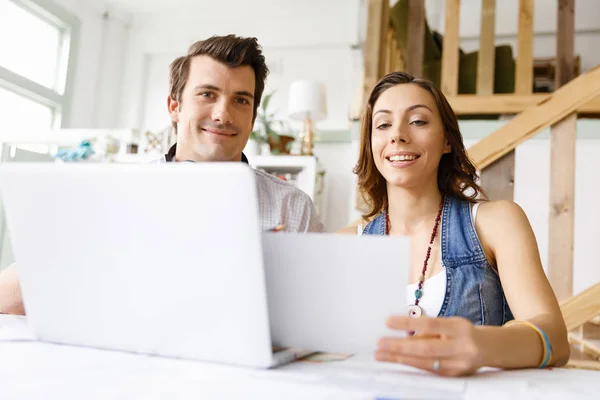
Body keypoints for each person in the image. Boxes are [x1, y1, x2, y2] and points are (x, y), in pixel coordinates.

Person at [0, 35, 325, 315]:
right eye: (207, 94)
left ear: (253, 117)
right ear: (174, 106)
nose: (223, 114)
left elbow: (318, 313)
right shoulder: (114, 193)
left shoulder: (291, 207)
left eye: (241, 100)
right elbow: (9, 297)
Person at [339, 71, 569, 376]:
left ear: (447, 140)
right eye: (383, 124)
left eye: (418, 121)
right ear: (371, 144)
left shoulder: (496, 222)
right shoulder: (345, 244)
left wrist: (483, 345)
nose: (397, 135)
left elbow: (556, 340)